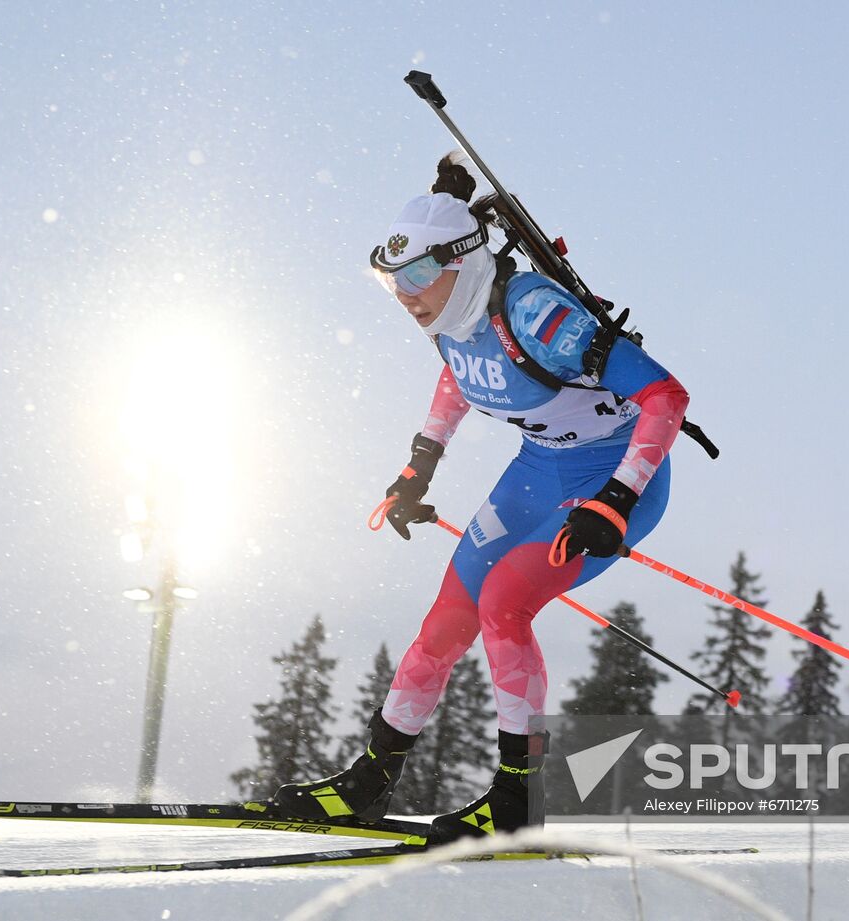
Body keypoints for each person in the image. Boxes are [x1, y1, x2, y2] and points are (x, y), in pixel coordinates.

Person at [273, 154, 690, 844]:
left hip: (615, 477)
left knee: (505, 602)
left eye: (415, 275)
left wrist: (615, 500)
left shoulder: (536, 315)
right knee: (445, 622)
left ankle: (516, 801)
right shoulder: (448, 319)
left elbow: (665, 396)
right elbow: (461, 379)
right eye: (389, 280)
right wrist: (418, 469)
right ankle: (366, 784)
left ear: (462, 263)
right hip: (539, 470)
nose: (405, 295)